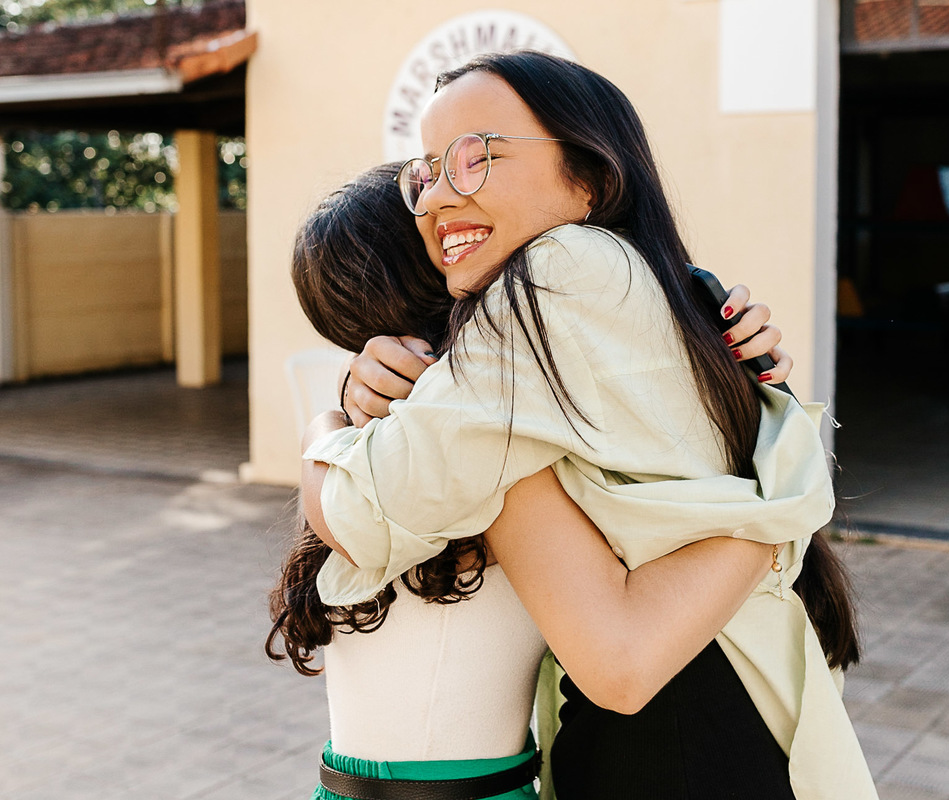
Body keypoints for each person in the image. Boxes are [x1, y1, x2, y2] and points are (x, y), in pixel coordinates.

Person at [301, 51, 876, 799]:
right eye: (430, 171)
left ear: (592, 179)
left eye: (476, 157)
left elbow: (362, 511)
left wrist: (324, 426)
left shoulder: (556, 268)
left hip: (670, 740)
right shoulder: (651, 284)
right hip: (724, 701)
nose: (437, 197)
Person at [270, 164, 792, 800]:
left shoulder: (372, 451)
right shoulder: (487, 456)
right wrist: (781, 495)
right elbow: (623, 661)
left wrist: (326, 422)